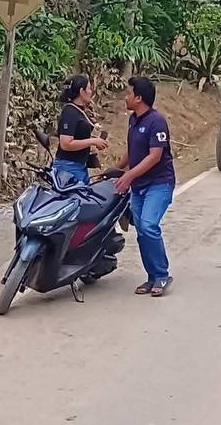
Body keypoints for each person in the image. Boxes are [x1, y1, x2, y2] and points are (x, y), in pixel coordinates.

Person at [115, 77, 176, 297]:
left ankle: (162, 275)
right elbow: (132, 151)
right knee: (141, 231)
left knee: (149, 225)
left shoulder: (156, 122)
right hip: (140, 186)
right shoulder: (133, 120)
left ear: (139, 98)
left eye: (129, 93)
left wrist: (129, 175)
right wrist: (116, 169)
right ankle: (151, 278)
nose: (126, 97)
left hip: (159, 183)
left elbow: (154, 156)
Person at [54, 74, 108, 185]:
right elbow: (66, 143)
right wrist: (93, 141)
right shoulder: (70, 113)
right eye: (88, 88)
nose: (91, 91)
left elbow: (77, 136)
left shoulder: (79, 111)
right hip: (68, 168)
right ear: (81, 91)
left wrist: (95, 141)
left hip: (79, 166)